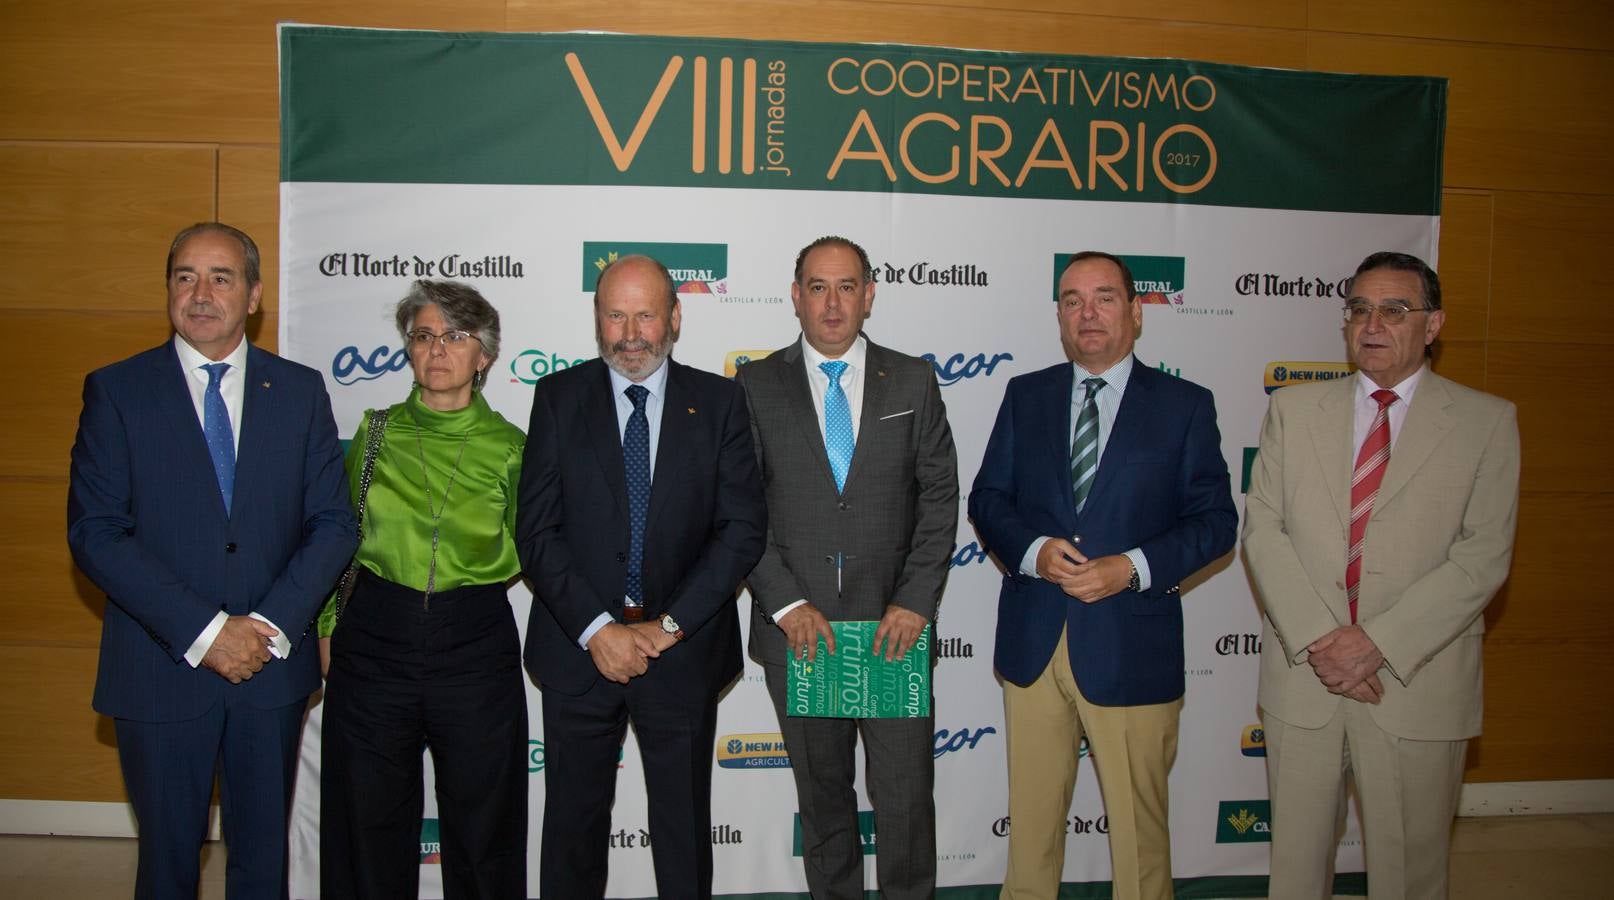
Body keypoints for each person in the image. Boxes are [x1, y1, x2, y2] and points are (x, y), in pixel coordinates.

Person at [66, 222, 356, 899]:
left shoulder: (300, 390)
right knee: (167, 864)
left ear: (253, 294)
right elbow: (97, 532)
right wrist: (207, 633)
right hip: (160, 670)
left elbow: (334, 523)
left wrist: (269, 627)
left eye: (220, 277)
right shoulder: (117, 391)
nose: (200, 293)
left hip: (270, 667)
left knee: (262, 863)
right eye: (185, 277)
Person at [1244, 251, 1519, 899]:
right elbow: (1264, 531)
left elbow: (1483, 557)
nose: (1373, 323)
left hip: (1415, 680)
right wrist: (1323, 640)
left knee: (1410, 875)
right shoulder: (1293, 410)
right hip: (1305, 679)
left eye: (1395, 310)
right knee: (1295, 871)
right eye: (1360, 309)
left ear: (1432, 325)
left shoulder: (1487, 422)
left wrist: (1374, 646)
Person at [968, 251, 1237, 900]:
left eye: (1105, 297)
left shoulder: (1184, 406)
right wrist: (1032, 551)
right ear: (1058, 315)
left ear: (1136, 312)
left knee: (1140, 843)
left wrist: (1132, 568)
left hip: (1131, 646)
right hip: (1035, 643)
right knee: (1031, 831)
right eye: (1072, 300)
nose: (1087, 313)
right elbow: (988, 499)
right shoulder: (1024, 395)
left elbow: (1215, 523)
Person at [515, 254, 767, 900]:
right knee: (571, 835)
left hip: (682, 657)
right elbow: (536, 533)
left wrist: (668, 628)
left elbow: (741, 531)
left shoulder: (720, 402)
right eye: (615, 315)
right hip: (579, 652)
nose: (630, 333)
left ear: (675, 317)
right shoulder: (558, 397)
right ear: (597, 318)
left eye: (645, 314)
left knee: (683, 836)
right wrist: (599, 629)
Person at [737, 236, 958, 899]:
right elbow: (738, 509)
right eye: (817, 286)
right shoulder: (753, 384)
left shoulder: (913, 379)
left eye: (846, 286)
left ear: (869, 293)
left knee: (906, 806)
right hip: (800, 635)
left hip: (894, 634)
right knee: (826, 807)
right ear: (796, 295)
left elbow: (941, 497)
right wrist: (783, 603)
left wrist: (917, 601)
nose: (831, 303)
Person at [318, 280, 528, 898]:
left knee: (485, 827)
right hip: (375, 638)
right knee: (366, 822)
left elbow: (534, 550)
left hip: (475, 640)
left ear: (484, 356)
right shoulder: (375, 431)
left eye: (456, 337)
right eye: (424, 336)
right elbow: (339, 540)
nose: (438, 349)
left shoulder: (512, 448)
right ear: (409, 349)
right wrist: (329, 626)